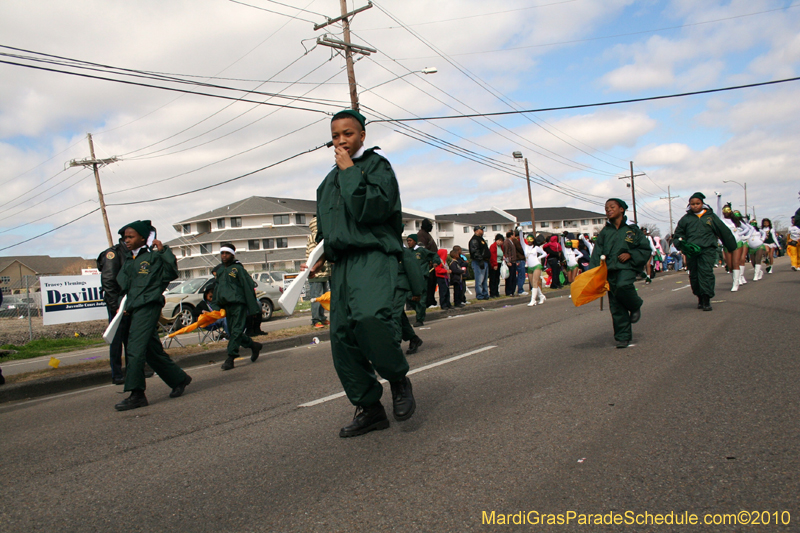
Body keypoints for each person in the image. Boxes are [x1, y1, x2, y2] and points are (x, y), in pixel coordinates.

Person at [308, 108, 415, 438]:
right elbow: (328, 229)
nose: (341, 140)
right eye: (336, 135)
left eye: (348, 134)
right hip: (341, 264)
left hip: (372, 255)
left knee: (371, 320)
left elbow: (375, 210)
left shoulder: (376, 167)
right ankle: (370, 408)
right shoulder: (327, 183)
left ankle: (398, 380)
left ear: (362, 136)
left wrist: (351, 171)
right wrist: (320, 256)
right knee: (342, 338)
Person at [113, 220, 192, 411]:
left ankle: (137, 394)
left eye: (131, 237)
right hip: (133, 309)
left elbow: (171, 272)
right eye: (125, 238)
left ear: (143, 238)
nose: (127, 240)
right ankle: (179, 379)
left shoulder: (153, 258)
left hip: (148, 306)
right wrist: (121, 305)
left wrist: (163, 250)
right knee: (150, 351)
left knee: (134, 348)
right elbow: (123, 286)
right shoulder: (129, 261)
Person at [589, 199, 652, 348]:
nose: (609, 210)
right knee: (616, 304)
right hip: (609, 270)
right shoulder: (605, 231)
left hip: (626, 267)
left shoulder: (632, 229)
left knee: (624, 286)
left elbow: (644, 249)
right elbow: (597, 253)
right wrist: (593, 272)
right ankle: (622, 337)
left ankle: (635, 305)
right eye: (606, 208)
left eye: (612, 207)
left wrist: (631, 254)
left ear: (621, 209)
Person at [673, 193, 737, 311]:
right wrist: (680, 244)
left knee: (706, 273)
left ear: (702, 204)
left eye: (698, 203)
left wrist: (731, 246)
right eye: (693, 204)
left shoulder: (710, 217)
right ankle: (699, 298)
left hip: (707, 249)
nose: (695, 206)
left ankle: (706, 299)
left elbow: (723, 231)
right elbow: (678, 234)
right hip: (692, 251)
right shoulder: (686, 219)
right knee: (694, 274)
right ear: (689, 205)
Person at [212, 243, 263, 370]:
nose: (224, 256)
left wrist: (253, 308)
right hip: (227, 306)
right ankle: (253, 346)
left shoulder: (238, 269)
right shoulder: (220, 271)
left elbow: (248, 287)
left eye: (227, 253)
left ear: (232, 255)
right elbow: (217, 289)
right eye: (222, 253)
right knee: (233, 332)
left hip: (238, 305)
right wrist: (216, 305)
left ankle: (230, 358)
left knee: (236, 331)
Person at [97, 237, 132, 385]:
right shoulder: (113, 254)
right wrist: (115, 306)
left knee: (130, 339)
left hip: (129, 302)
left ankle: (133, 371)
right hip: (117, 303)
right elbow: (109, 282)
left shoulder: (132, 254)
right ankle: (117, 374)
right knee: (116, 340)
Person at [406, 234, 440, 326]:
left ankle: (419, 319)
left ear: (415, 241)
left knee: (421, 298)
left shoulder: (421, 251)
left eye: (410, 240)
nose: (408, 242)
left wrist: (435, 262)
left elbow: (434, 255)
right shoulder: (407, 252)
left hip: (421, 277)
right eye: (407, 240)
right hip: (410, 278)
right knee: (408, 297)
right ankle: (419, 310)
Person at [399, 246, 425, 355]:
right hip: (381, 286)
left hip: (396, 286)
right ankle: (413, 338)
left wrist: (416, 291)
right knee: (398, 315)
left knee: (392, 316)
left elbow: (413, 271)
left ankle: (389, 350)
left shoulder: (402, 250)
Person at [306, 217, 330, 329]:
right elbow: (313, 255)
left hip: (324, 274)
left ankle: (322, 317)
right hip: (316, 274)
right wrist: (317, 267)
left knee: (323, 298)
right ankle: (315, 319)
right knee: (316, 297)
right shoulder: (314, 236)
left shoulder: (323, 235)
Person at [417, 218, 439, 309]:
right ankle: (427, 302)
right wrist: (429, 260)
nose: (431, 228)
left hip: (432, 263)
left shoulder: (427, 234)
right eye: (430, 226)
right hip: (427, 264)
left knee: (433, 283)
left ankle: (431, 300)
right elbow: (423, 250)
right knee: (428, 284)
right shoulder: (421, 235)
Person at [521, 234, 547, 306]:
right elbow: (521, 239)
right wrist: (520, 231)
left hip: (537, 265)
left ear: (533, 240)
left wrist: (539, 257)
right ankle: (541, 296)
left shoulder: (536, 248)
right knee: (533, 284)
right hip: (530, 267)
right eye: (528, 239)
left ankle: (533, 300)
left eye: (531, 239)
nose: (529, 241)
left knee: (535, 282)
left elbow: (545, 253)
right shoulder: (525, 247)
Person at [468, 226, 490, 300]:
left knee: (484, 280)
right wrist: (480, 260)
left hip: (485, 261)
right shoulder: (474, 240)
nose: (482, 231)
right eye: (481, 229)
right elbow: (475, 251)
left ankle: (485, 294)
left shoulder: (481, 239)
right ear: (476, 230)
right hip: (478, 262)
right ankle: (480, 295)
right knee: (479, 280)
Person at [512, 230, 527, 295]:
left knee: (519, 275)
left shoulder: (513, 241)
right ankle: (520, 290)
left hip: (517, 259)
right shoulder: (516, 241)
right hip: (520, 259)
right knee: (521, 275)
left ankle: (519, 288)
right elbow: (522, 249)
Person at [488, 234, 504, 298]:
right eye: (499, 240)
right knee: (493, 279)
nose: (500, 242)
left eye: (501, 241)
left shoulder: (501, 247)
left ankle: (496, 292)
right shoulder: (493, 246)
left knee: (497, 279)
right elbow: (492, 256)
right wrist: (495, 264)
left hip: (500, 263)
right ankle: (492, 293)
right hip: (494, 264)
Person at [502, 230, 518, 296]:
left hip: (514, 261)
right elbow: (506, 252)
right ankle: (508, 292)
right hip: (510, 262)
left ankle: (512, 291)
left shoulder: (512, 242)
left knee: (514, 277)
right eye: (513, 235)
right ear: (511, 235)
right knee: (510, 277)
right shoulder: (506, 242)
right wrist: (508, 261)